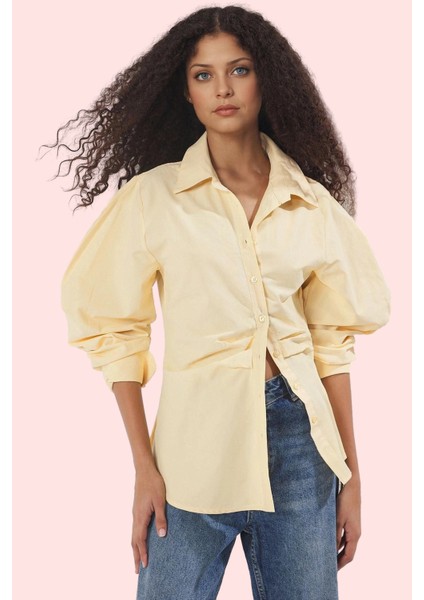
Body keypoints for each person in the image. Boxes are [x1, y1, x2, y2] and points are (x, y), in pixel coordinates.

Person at [49, 5, 391, 599]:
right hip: (191, 450)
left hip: (300, 445)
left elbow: (331, 346)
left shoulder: (309, 203)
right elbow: (114, 329)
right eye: (203, 75)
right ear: (185, 91)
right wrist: (143, 467)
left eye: (240, 70)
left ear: (266, 79)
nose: (223, 88)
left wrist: (352, 477)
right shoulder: (154, 198)